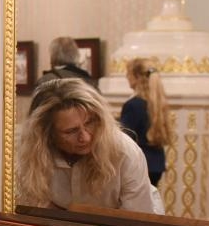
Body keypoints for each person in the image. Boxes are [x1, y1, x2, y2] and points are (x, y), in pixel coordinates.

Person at [17, 77, 155, 213]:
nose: (85, 137)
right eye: (71, 131)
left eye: (89, 123)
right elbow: (35, 211)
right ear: (47, 134)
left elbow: (138, 219)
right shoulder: (34, 154)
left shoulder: (124, 151)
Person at [120, 57, 174, 186]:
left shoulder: (133, 105)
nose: (126, 77)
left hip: (140, 165)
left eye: (128, 73)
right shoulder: (157, 103)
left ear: (137, 77)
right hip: (157, 163)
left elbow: (123, 139)